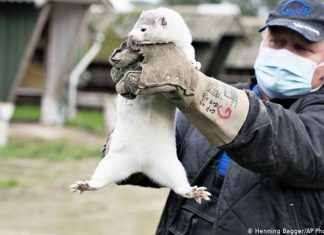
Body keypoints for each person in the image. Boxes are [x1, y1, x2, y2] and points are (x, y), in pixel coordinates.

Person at [105, 0, 324, 234]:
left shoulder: (204, 99)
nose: (283, 54)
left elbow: (280, 138)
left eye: (301, 48)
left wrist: (194, 86)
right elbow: (149, 161)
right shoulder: (208, 101)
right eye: (277, 42)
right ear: (261, 44)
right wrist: (136, 114)